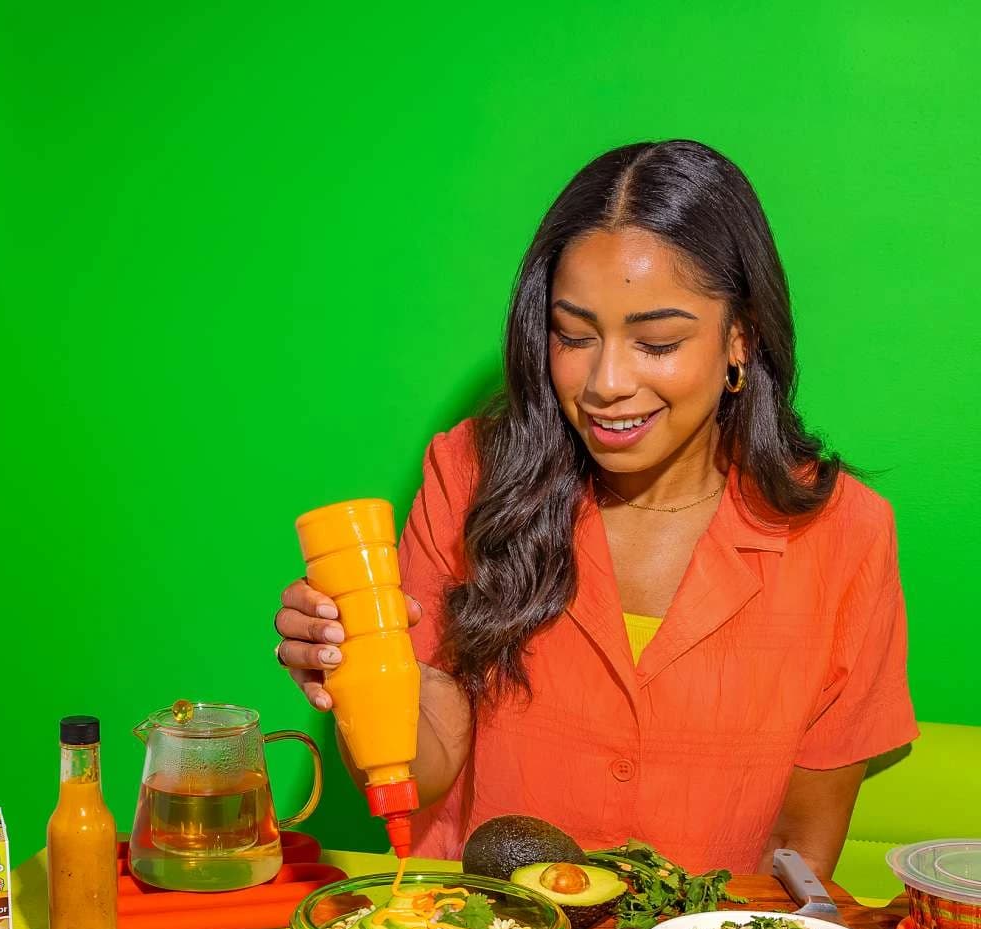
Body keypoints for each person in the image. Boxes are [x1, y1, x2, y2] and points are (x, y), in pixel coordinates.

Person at [274, 140, 916, 879]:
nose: (605, 383)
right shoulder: (468, 477)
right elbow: (417, 774)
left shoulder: (845, 533)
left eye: (658, 341)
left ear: (741, 337)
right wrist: (359, 668)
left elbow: (800, 860)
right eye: (574, 335)